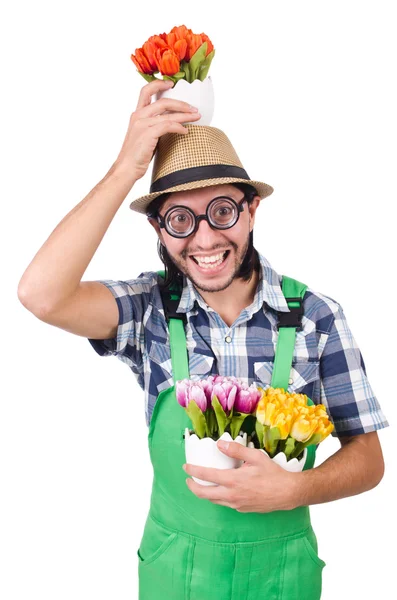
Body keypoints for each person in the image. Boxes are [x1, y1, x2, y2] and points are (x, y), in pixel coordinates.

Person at [18, 79, 389, 599]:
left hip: (281, 578)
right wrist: (127, 167)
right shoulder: (147, 310)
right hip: (177, 576)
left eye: (222, 211)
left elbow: (368, 458)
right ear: (158, 231)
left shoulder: (315, 317)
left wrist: (296, 489)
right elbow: (41, 294)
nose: (205, 238)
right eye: (179, 219)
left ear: (251, 210)